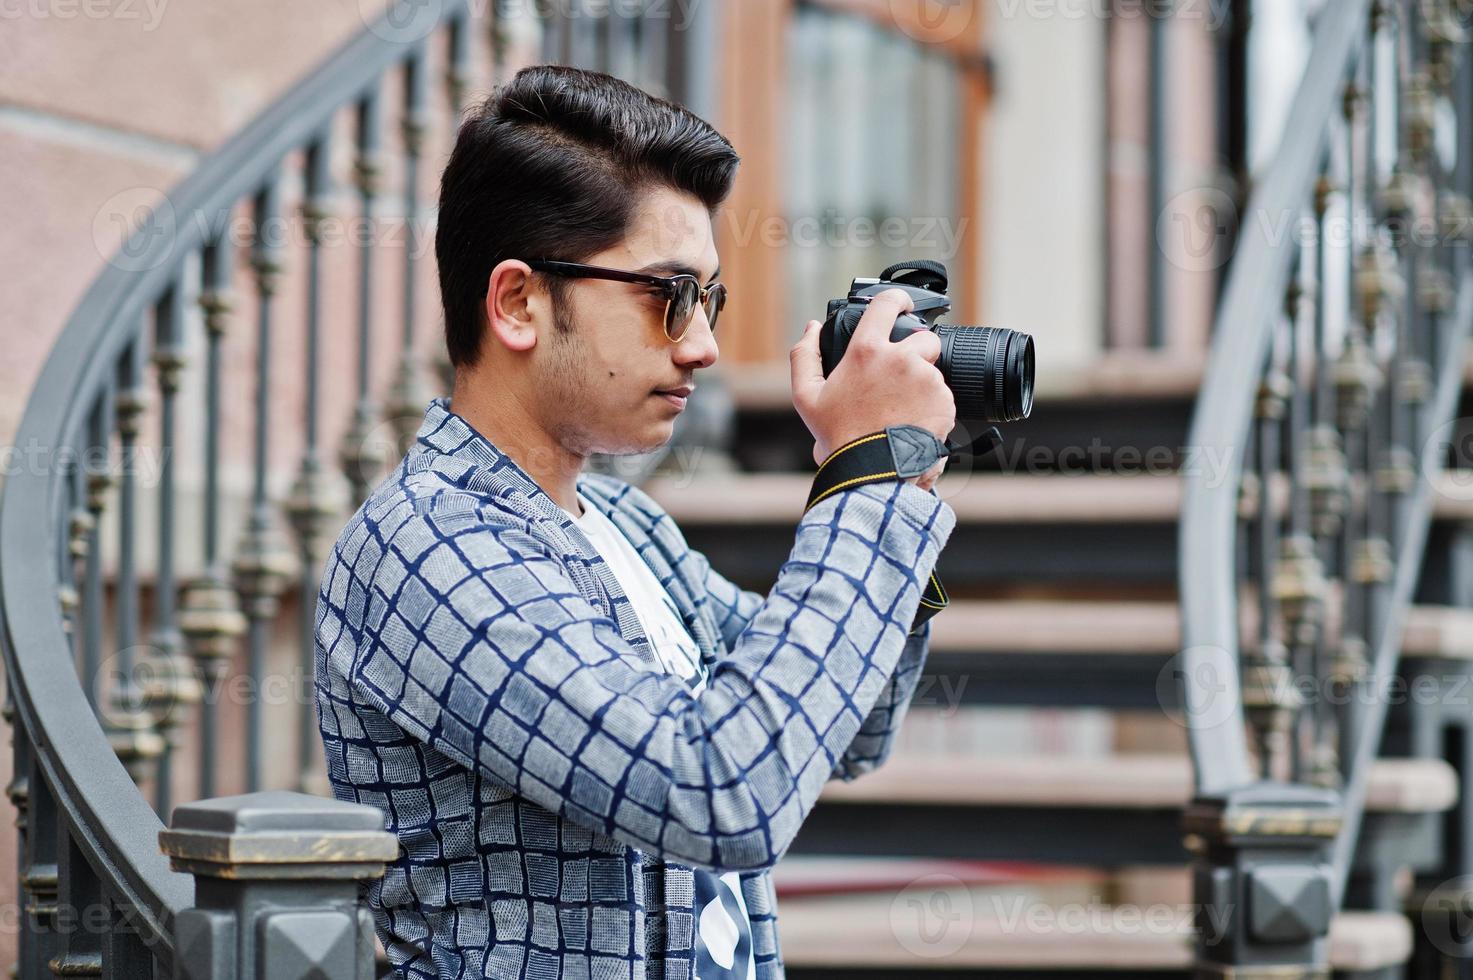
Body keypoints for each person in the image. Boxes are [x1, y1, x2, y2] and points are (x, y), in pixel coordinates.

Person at [314, 63, 956, 980]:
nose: (702, 344)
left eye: (710, 299)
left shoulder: (622, 523)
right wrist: (870, 491)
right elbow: (720, 790)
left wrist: (898, 480)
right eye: (668, 296)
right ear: (518, 302)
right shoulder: (426, 547)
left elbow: (846, 729)